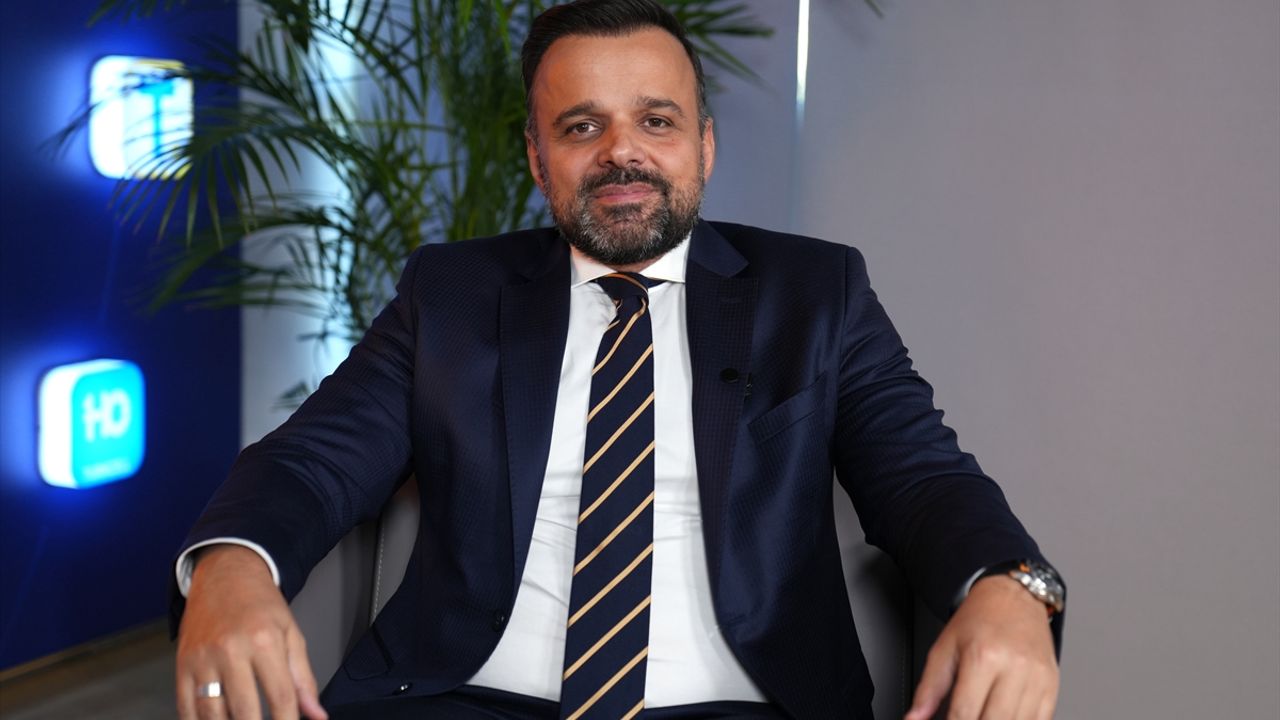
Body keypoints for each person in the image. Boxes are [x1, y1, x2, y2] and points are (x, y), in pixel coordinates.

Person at [172, 1, 1065, 718]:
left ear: (704, 145)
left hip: (740, 702)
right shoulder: (449, 293)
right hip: (460, 695)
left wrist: (1008, 584)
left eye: (655, 120)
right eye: (581, 126)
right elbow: (314, 460)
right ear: (538, 160)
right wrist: (232, 565)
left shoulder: (816, 292)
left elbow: (922, 477)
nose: (621, 153)